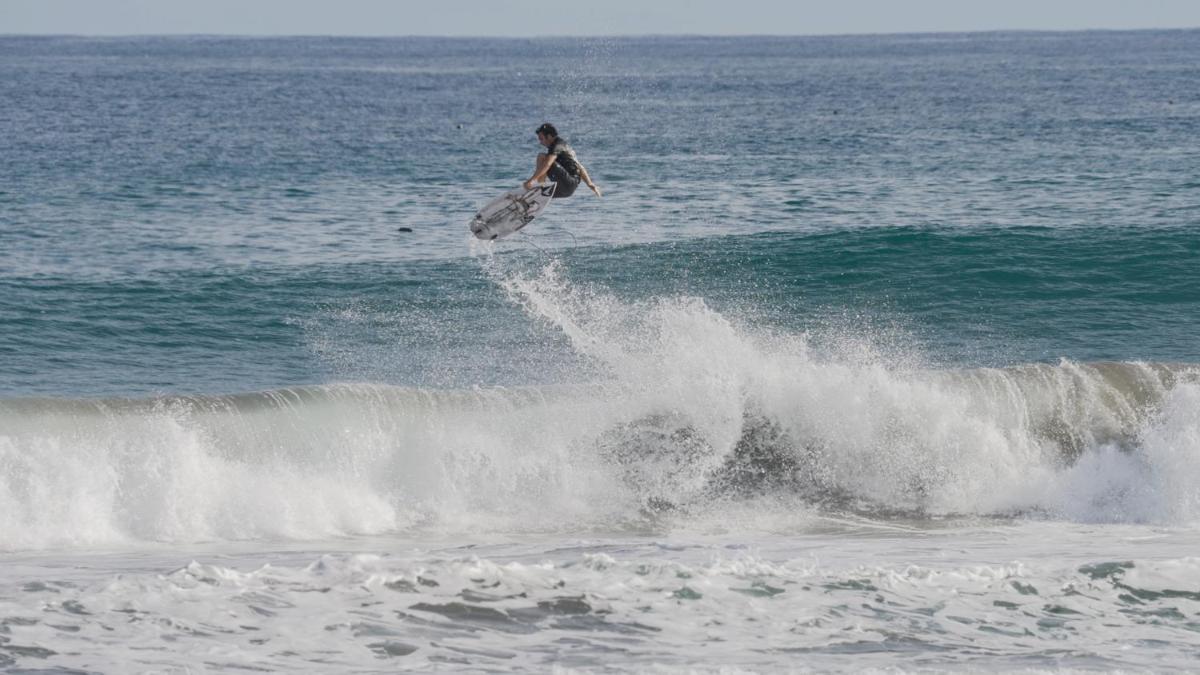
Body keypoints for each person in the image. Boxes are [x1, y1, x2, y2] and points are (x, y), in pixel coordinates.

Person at [523, 123, 602, 198]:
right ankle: (541, 193)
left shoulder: (557, 146)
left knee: (542, 157)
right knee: (545, 161)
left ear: (549, 136)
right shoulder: (564, 148)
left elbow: (547, 164)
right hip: (568, 190)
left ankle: (540, 188)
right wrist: (590, 184)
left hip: (569, 182)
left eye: (541, 139)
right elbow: (579, 167)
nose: (540, 142)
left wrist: (531, 180)